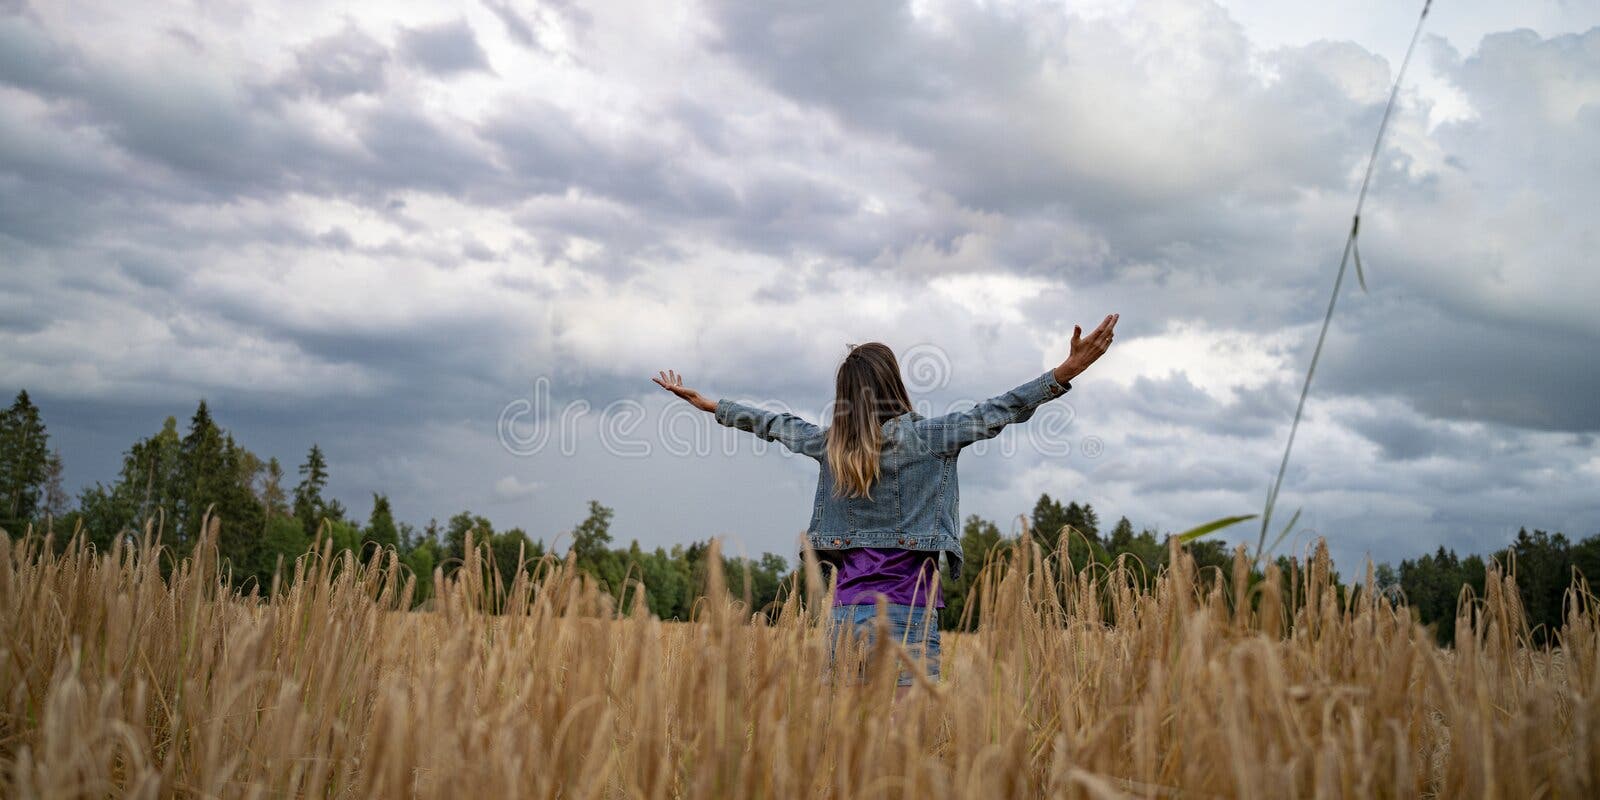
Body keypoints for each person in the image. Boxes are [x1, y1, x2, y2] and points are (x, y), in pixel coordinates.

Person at [652, 313, 1119, 695]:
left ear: (846, 397)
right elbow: (998, 411)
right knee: (903, 753)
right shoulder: (931, 438)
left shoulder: (832, 446)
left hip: (845, 614)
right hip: (907, 614)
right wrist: (1065, 372)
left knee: (851, 747)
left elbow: (778, 424)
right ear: (893, 382)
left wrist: (714, 406)